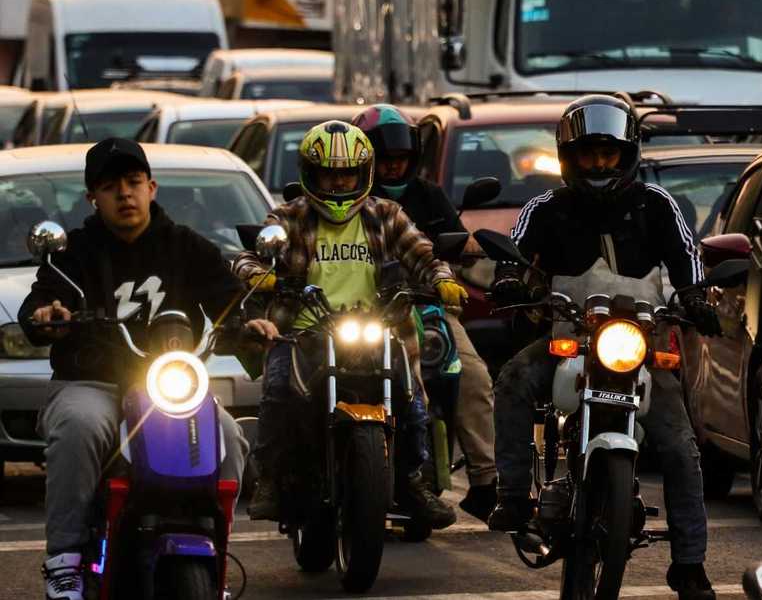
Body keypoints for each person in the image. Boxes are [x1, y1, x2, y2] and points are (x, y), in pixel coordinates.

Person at [486, 95, 723, 600]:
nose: (598, 164)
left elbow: (688, 257)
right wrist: (508, 279)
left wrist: (697, 298)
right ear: (569, 156)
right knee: (510, 381)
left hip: (640, 342)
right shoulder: (544, 207)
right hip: (565, 338)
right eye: (589, 154)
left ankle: (690, 564)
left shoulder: (659, 205)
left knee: (681, 447)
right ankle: (510, 493)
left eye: (608, 154)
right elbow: (515, 249)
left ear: (628, 153)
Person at [19, 138, 254, 600]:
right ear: (93, 198)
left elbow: (232, 300)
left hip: (172, 387)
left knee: (228, 436)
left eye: (133, 183)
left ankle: (216, 552)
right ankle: (64, 561)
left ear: (152, 187)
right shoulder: (74, 254)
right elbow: (40, 301)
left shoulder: (187, 246)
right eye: (110, 187)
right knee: (79, 427)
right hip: (93, 382)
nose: (124, 194)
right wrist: (46, 314)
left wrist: (253, 322)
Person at [232, 120, 467, 529]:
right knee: (275, 391)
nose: (339, 182)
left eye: (347, 173)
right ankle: (269, 478)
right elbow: (247, 257)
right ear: (311, 173)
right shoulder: (289, 217)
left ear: (362, 174)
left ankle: (411, 480)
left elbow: (424, 256)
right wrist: (258, 274)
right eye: (329, 173)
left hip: (377, 329)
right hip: (304, 332)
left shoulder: (387, 215)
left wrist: (443, 280)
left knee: (413, 406)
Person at [351, 103, 498, 521]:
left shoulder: (428, 195)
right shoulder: (347, 200)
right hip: (359, 313)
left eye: (401, 160)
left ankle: (486, 482)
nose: (394, 169)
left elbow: (455, 245)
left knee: (473, 375)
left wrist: (469, 251)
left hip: (426, 308)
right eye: (385, 161)